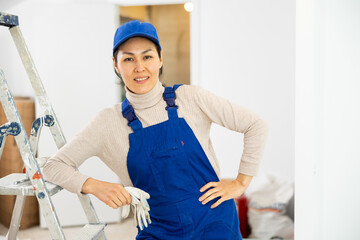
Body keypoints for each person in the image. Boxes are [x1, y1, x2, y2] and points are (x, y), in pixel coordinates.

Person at [43, 20, 269, 240]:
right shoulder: (107, 122)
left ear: (160, 59)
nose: (139, 67)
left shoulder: (191, 98)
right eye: (129, 59)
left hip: (215, 223)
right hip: (159, 229)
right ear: (115, 64)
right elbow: (53, 166)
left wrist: (240, 183)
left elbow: (255, 124)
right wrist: (93, 185)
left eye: (147, 56)